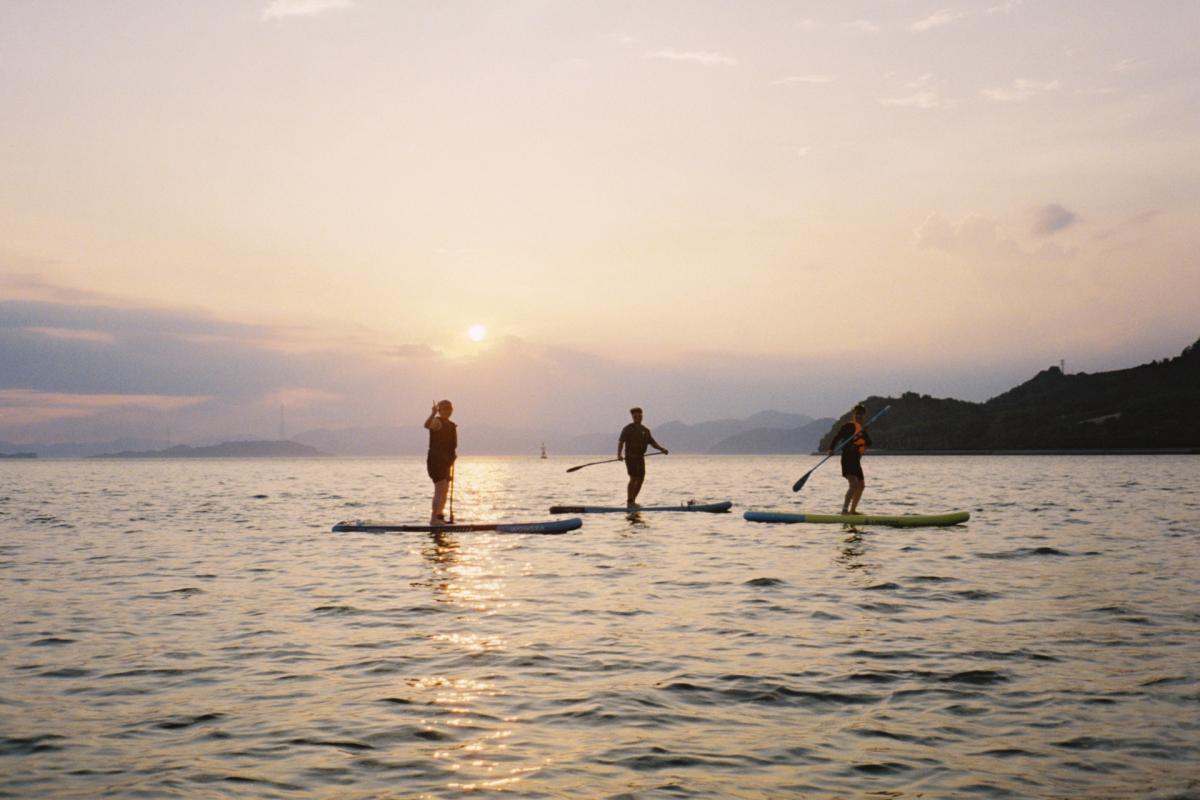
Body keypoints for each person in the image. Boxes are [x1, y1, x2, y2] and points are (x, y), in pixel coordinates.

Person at [617, 406, 668, 507]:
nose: (638, 418)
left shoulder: (645, 430)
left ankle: (632, 501)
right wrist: (619, 454)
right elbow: (621, 442)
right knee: (634, 477)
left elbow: (652, 443)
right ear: (632, 417)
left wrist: (662, 449)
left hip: (640, 457)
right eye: (635, 416)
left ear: (642, 416)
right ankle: (630, 501)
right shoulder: (628, 429)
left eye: (639, 416)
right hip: (630, 457)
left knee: (641, 479)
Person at [831, 404, 871, 515]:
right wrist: (831, 449)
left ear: (863, 415)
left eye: (861, 414)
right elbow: (837, 437)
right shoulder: (848, 426)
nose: (859, 416)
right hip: (848, 458)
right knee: (853, 484)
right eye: (857, 414)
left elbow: (869, 442)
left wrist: (863, 432)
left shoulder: (862, 428)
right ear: (853, 414)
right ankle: (844, 510)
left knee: (861, 485)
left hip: (856, 461)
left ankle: (853, 511)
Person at [424, 399, 457, 526]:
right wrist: (433, 413)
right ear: (440, 410)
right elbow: (427, 425)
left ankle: (439, 516)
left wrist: (452, 458)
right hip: (436, 461)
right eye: (444, 409)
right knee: (440, 488)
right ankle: (434, 519)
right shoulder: (437, 422)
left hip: (447, 462)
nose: (447, 411)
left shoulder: (451, 425)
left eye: (449, 408)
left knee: (445, 490)